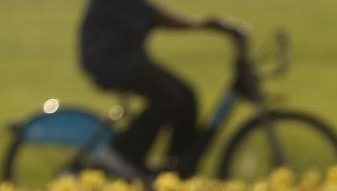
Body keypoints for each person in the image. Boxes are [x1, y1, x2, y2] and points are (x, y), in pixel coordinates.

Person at [78, 0, 245, 179]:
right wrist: (203, 24)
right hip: (113, 61)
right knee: (169, 96)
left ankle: (177, 167)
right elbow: (156, 17)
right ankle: (123, 154)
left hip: (124, 58)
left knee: (186, 95)